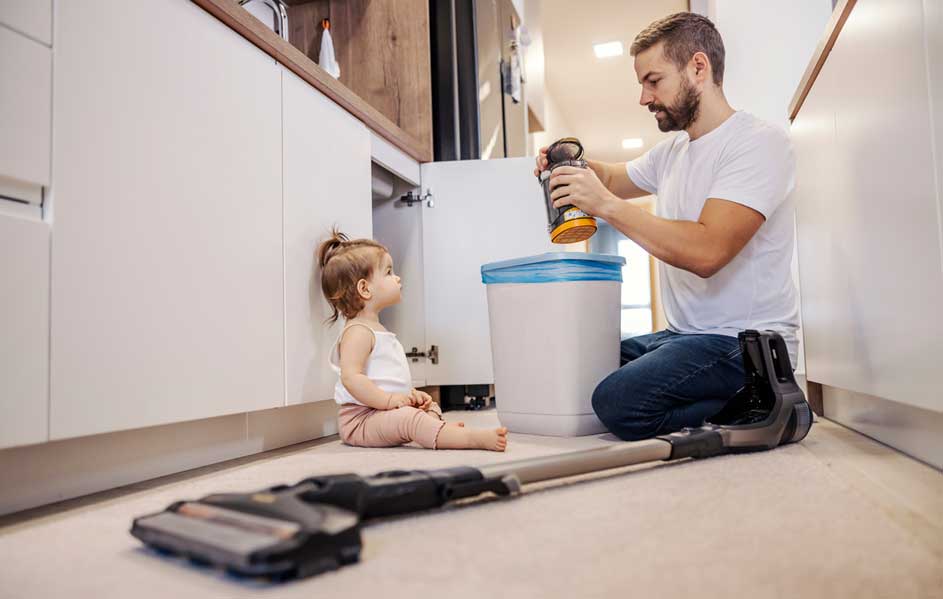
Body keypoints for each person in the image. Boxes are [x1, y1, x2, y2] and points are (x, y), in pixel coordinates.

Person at [534, 12, 799, 441]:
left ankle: (766, 397)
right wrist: (567, 163)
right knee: (580, 365)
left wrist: (607, 206)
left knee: (615, 402)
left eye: (653, 81)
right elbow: (613, 176)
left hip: (744, 345)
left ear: (699, 67)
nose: (644, 97)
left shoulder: (758, 144)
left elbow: (708, 252)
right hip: (685, 337)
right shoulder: (672, 152)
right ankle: (734, 400)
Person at [317, 229, 508, 451]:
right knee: (410, 419)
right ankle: (468, 439)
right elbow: (351, 378)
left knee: (430, 407)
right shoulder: (357, 332)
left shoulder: (377, 329)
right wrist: (390, 402)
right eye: (388, 272)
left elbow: (386, 380)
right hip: (361, 421)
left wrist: (409, 395)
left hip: (382, 414)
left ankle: (438, 429)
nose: (397, 277)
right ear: (365, 288)